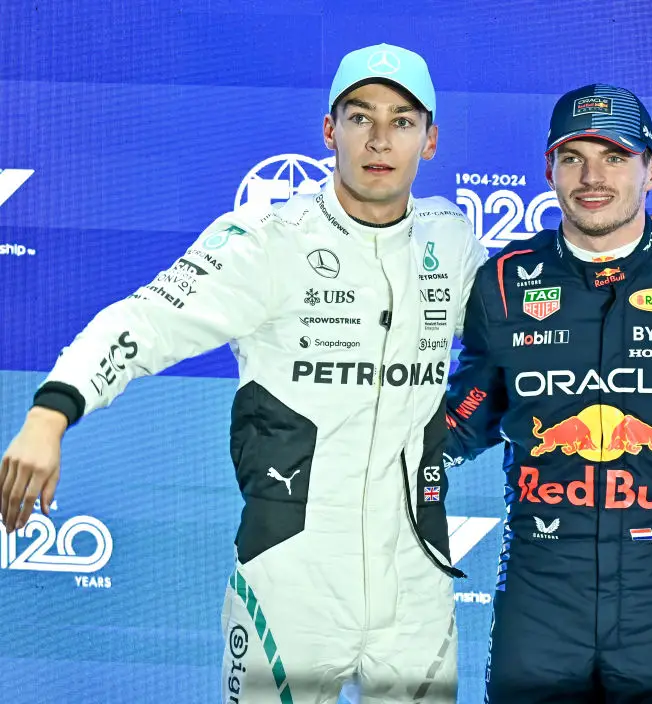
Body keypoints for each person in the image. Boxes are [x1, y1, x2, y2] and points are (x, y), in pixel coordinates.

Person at [0, 43, 488, 704]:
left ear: (429, 141)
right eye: (359, 117)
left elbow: (535, 323)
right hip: (291, 580)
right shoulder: (267, 240)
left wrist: (645, 245)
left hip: (418, 586)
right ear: (328, 131)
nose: (380, 139)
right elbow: (145, 320)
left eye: (402, 121)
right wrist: (51, 412)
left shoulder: (451, 239)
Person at [445, 83, 652, 704]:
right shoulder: (503, 282)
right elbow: (465, 418)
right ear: (549, 170)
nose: (592, 177)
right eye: (572, 158)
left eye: (614, 157)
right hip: (539, 597)